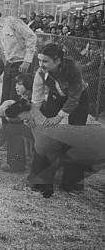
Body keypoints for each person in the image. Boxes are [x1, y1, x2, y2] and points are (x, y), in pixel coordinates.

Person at [27, 43, 89, 197]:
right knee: (45, 136)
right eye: (39, 60)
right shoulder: (40, 73)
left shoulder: (73, 70)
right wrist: (35, 117)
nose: (41, 65)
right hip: (56, 98)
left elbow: (74, 98)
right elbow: (36, 99)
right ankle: (39, 180)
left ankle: (72, 183)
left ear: (57, 60)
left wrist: (58, 117)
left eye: (45, 61)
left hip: (79, 101)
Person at [0, 4, 37, 172]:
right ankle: (12, 154)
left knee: (17, 112)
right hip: (9, 68)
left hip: (24, 67)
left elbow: (31, 37)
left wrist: (27, 60)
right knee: (6, 110)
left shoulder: (11, 22)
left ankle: (19, 161)